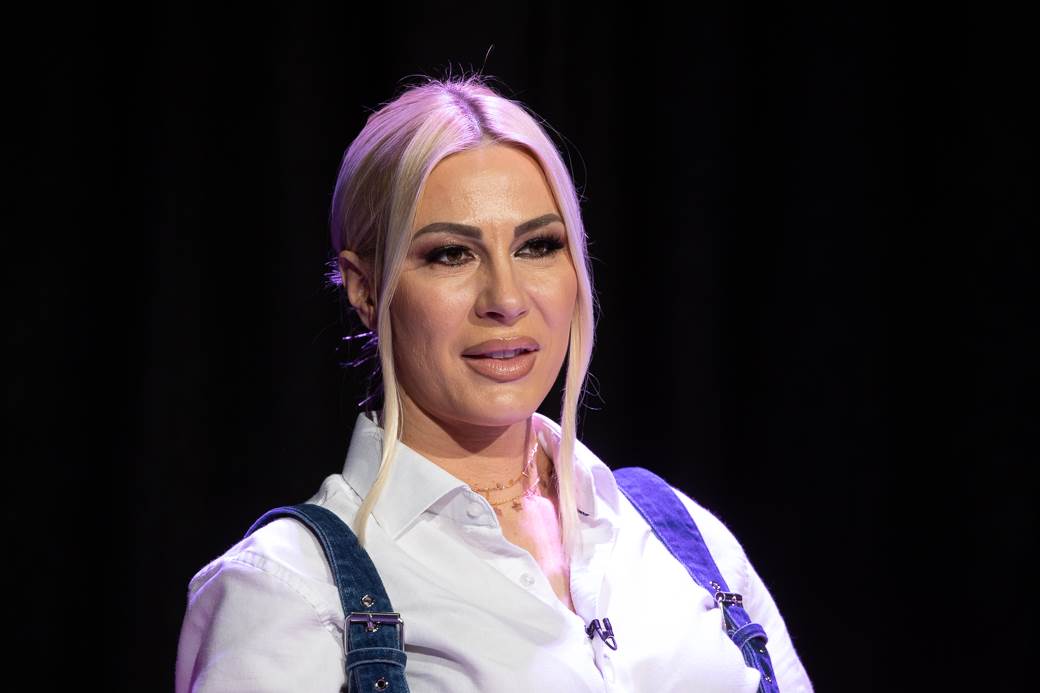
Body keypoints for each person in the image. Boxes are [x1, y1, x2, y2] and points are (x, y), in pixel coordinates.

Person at [175, 73, 814, 693]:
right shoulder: (286, 589)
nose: (506, 300)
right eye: (451, 254)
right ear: (365, 288)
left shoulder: (678, 538)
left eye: (538, 246)